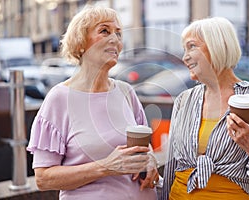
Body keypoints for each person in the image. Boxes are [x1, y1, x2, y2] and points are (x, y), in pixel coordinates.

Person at [27, 5, 158, 200]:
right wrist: (105, 167)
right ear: (81, 43)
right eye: (104, 31)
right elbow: (44, 179)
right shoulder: (59, 98)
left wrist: (151, 161)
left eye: (118, 33)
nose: (115, 39)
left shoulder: (126, 92)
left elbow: (144, 149)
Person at [161, 17, 249, 200]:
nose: (184, 57)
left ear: (217, 46)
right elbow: (171, 169)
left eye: (192, 47)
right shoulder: (184, 100)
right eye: (184, 50)